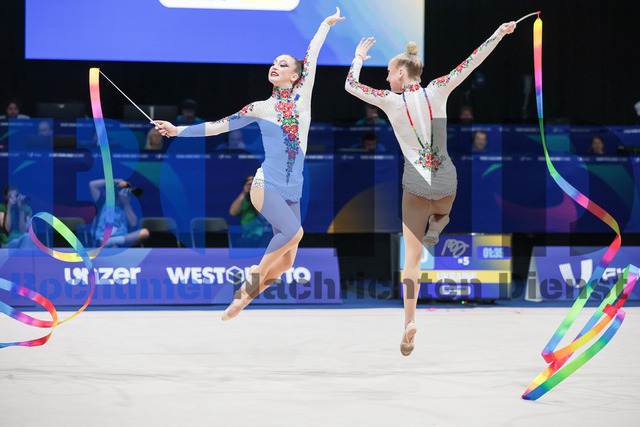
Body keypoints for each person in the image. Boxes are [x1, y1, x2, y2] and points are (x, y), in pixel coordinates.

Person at [155, 8, 345, 320]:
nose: (275, 66)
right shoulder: (259, 107)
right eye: (274, 62)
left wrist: (325, 24)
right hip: (265, 183)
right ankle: (253, 277)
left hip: (293, 188)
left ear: (295, 76)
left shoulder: (303, 95)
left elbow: (312, 56)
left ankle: (244, 299)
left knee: (287, 262)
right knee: (294, 232)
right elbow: (218, 126)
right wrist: (178, 131)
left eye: (283, 64)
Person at [345, 21, 516, 355]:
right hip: (445, 179)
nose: (387, 79)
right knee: (442, 211)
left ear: (401, 72)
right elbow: (473, 61)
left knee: (412, 260)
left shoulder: (390, 101)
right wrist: (498, 33)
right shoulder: (438, 89)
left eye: (389, 73)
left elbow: (351, 85)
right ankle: (438, 223)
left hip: (415, 182)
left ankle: (409, 321)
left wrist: (358, 58)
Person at [89, 179, 149, 247]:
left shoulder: (127, 206)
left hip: (122, 239)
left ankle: (109, 241)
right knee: (113, 247)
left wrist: (126, 204)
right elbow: (92, 185)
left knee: (145, 232)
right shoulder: (102, 202)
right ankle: (108, 242)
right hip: (101, 237)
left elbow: (133, 224)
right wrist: (116, 181)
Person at [229, 175, 264, 242]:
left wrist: (255, 195)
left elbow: (263, 217)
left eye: (254, 182)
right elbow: (232, 213)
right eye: (248, 183)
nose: (251, 185)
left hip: (263, 235)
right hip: (246, 236)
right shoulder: (243, 201)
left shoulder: (264, 199)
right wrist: (244, 192)